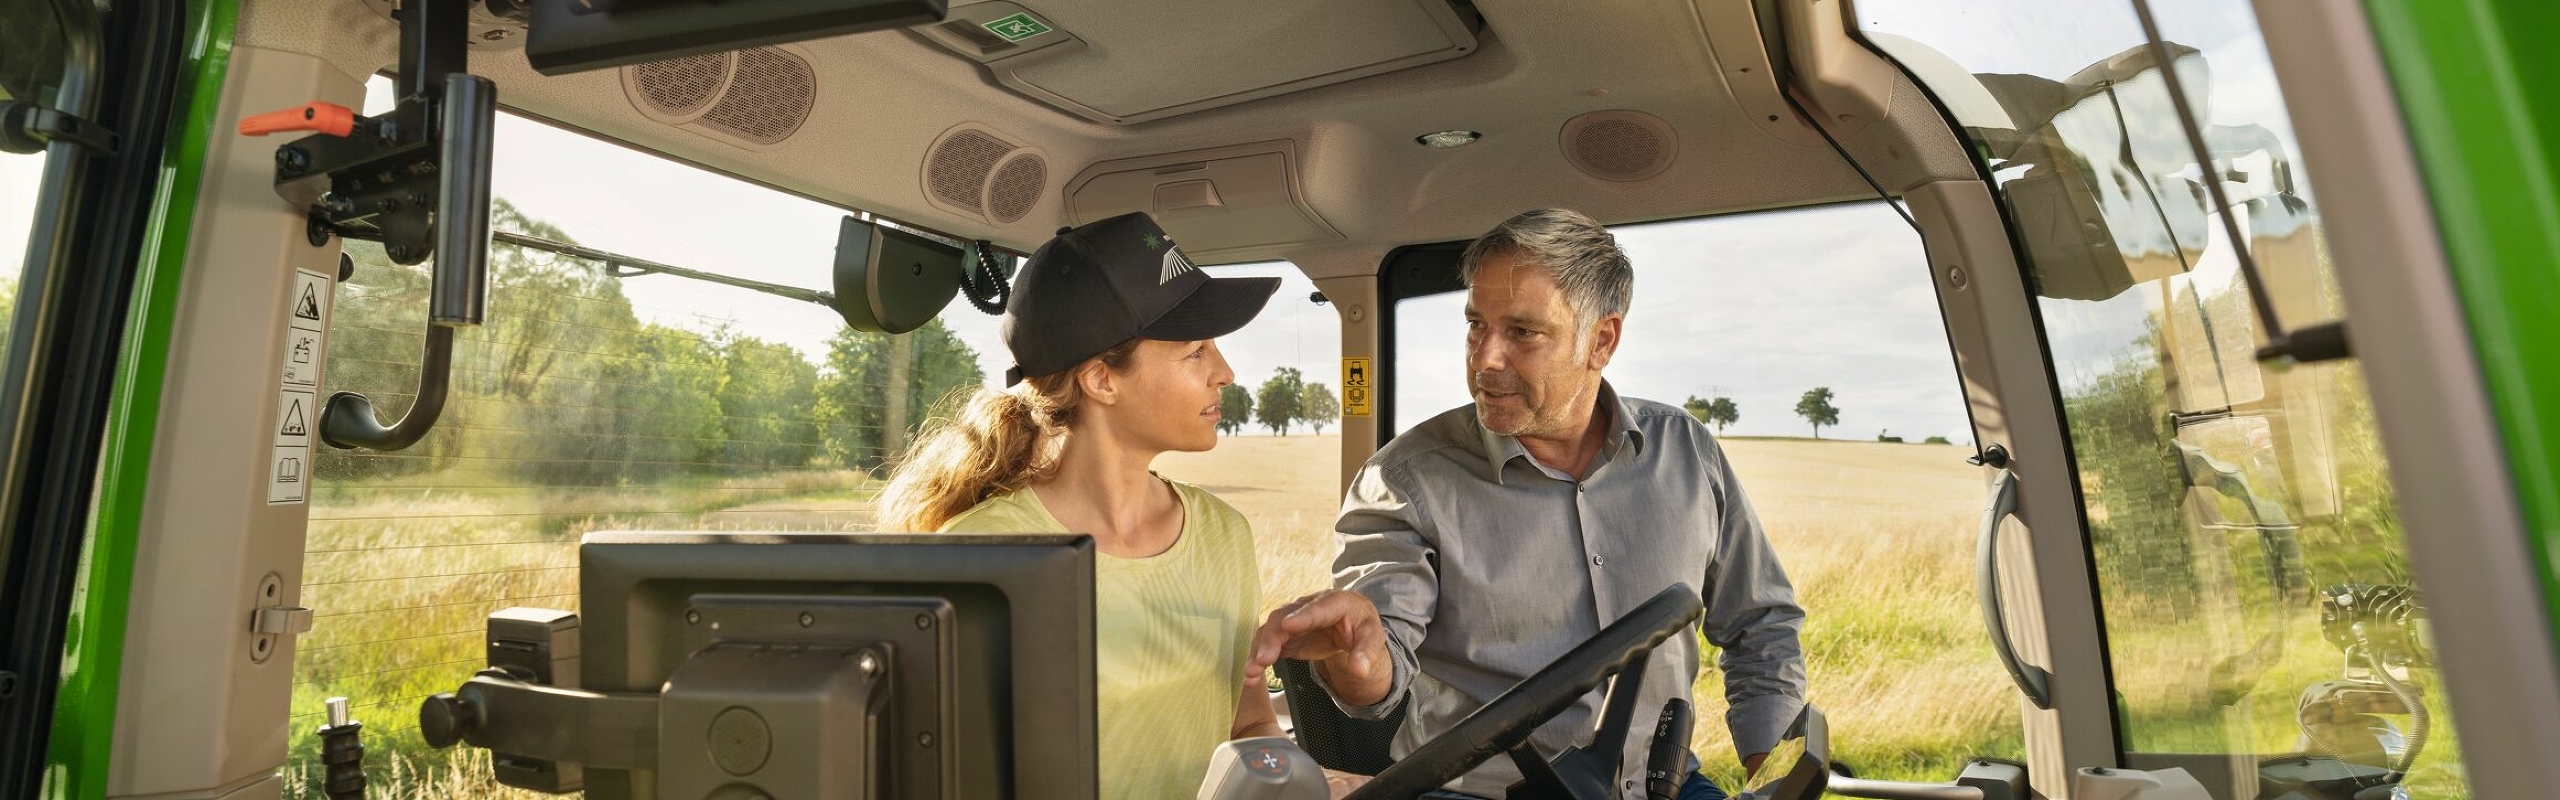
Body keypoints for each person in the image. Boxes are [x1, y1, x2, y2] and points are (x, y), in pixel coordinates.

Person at [1246, 209, 1807, 800]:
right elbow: (1380, 653)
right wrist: (1359, 662)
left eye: (1522, 332)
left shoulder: (1687, 452)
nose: (1485, 358)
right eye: (1475, 325)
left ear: (1602, 341)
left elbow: (1760, 624)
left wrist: (1771, 772)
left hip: (1662, 783)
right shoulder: (1404, 480)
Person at [875, 211, 1289, 800]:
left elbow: (1248, 723)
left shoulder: (1226, 535)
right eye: (1196, 350)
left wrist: (1287, 781)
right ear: (1101, 380)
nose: (1224, 372)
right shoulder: (978, 555)